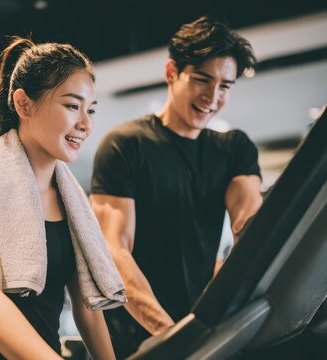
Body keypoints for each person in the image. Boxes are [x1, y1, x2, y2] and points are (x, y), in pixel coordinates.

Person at [90, 16, 263, 358]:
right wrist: (171, 335)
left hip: (201, 335)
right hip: (138, 340)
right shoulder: (126, 145)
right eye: (202, 80)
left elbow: (251, 227)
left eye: (225, 85)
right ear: (172, 72)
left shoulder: (233, 150)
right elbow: (113, 252)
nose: (213, 96)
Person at [0, 37, 125, 359]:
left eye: (91, 110)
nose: (85, 124)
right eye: (72, 106)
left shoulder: (74, 202)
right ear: (24, 104)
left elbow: (87, 310)